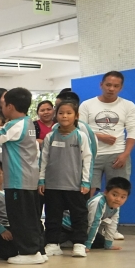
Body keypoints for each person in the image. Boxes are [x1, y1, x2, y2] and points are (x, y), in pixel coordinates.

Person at [0, 87, 45, 265]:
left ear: (10, 107)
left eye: (3, 105)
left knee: (19, 218)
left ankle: (28, 253)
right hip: (29, 179)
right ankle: (37, 250)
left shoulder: (15, 124)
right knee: (31, 217)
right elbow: (8, 135)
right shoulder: (27, 122)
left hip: (17, 180)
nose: (2, 108)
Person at [39, 100, 92, 258]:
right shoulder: (50, 136)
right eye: (61, 113)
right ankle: (53, 244)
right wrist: (41, 179)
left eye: (69, 113)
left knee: (79, 215)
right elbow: (44, 159)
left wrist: (86, 181)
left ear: (76, 116)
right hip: (53, 185)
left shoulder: (81, 136)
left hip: (75, 185)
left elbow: (88, 159)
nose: (64, 116)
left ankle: (79, 244)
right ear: (56, 115)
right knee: (52, 215)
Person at [79, 71, 135, 197]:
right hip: (92, 154)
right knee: (87, 191)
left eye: (116, 86)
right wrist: (99, 136)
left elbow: (133, 130)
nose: (111, 89)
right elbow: (80, 129)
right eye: (108, 85)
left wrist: (125, 154)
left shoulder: (128, 105)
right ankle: (88, 211)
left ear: (121, 87)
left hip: (117, 154)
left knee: (117, 193)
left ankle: (110, 212)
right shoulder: (87, 105)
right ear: (101, 85)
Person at [84, 178, 131, 252]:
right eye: (114, 195)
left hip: (84, 228)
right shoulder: (98, 202)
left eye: (123, 197)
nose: (118, 199)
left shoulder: (115, 206)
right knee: (80, 239)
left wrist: (108, 245)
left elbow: (112, 224)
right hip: (71, 226)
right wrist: (87, 246)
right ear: (106, 192)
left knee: (101, 242)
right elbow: (93, 223)